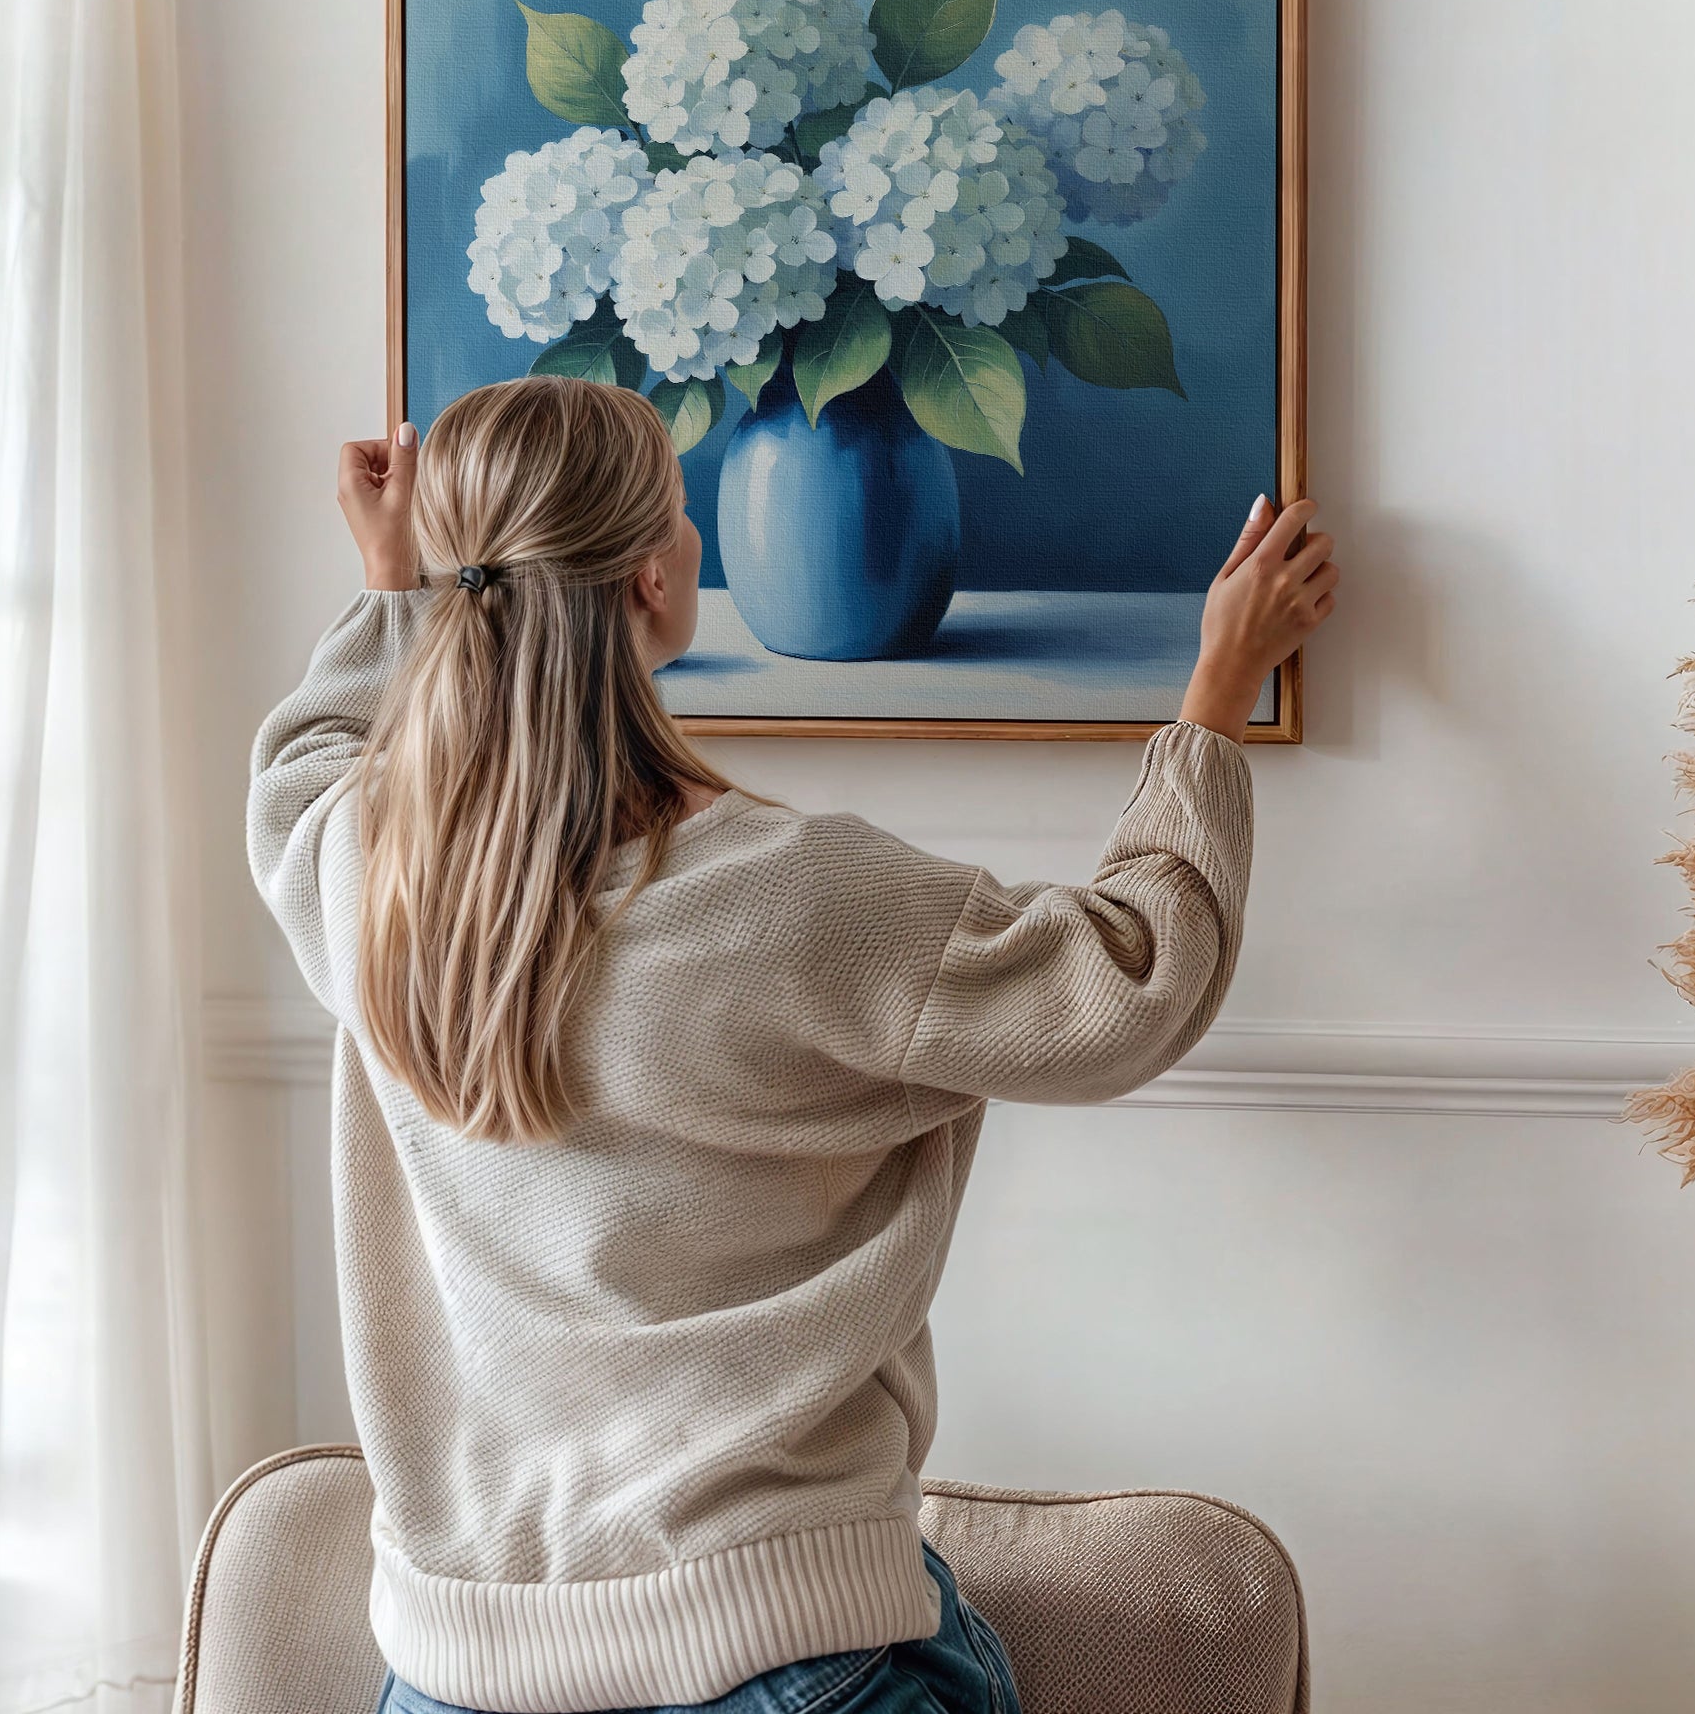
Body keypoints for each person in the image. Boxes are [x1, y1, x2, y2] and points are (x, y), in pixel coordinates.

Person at [248, 374, 1338, 1714]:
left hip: (450, 1677)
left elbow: (298, 767)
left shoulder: (366, 877)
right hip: (777, 1659)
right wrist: (1216, 692)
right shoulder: (792, 896)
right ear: (654, 583)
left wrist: (390, 585)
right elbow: (1128, 980)